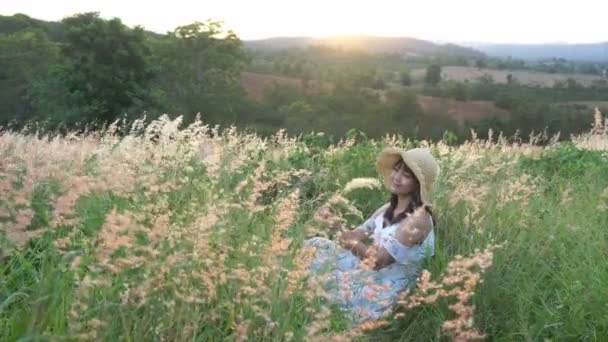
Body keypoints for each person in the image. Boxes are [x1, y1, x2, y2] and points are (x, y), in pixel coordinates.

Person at [303, 147, 440, 321]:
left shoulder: (418, 219)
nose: (396, 177)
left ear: (418, 184)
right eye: (396, 169)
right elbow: (356, 235)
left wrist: (344, 236)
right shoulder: (387, 208)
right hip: (368, 268)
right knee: (315, 246)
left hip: (387, 284)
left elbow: (378, 262)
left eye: (406, 175)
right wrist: (333, 223)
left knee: (326, 283)